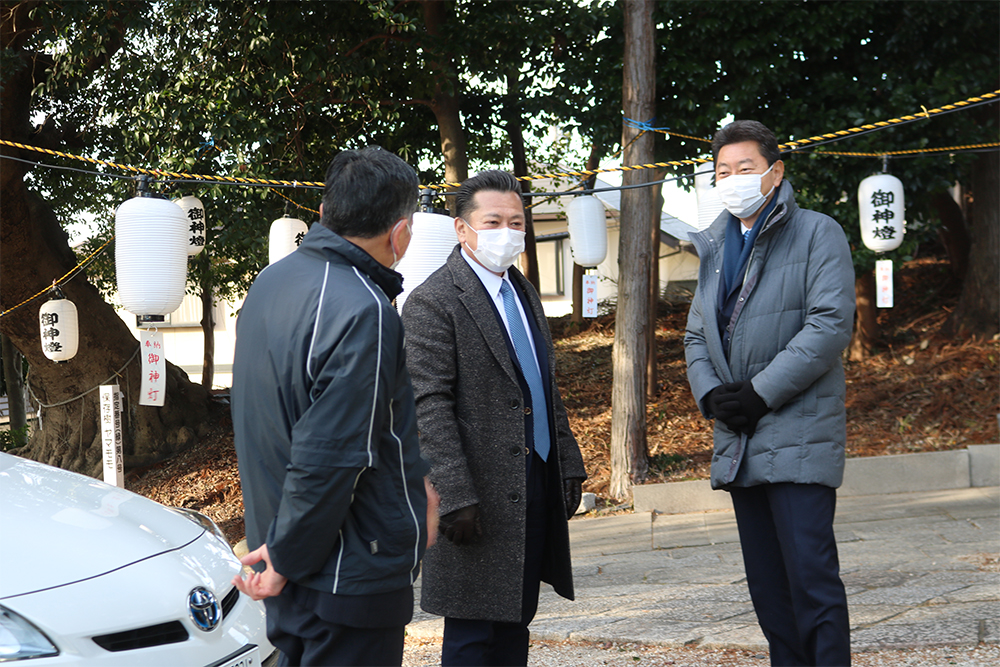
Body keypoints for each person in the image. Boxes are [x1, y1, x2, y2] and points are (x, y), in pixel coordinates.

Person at [230, 147, 439, 667]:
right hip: (344, 567)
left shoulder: (271, 282)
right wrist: (287, 556)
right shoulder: (363, 308)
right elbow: (331, 455)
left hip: (285, 543)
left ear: (324, 214)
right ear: (401, 233)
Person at [684, 120, 856, 666]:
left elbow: (829, 325)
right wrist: (712, 396)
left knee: (812, 580)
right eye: (722, 171)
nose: (733, 179)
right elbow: (694, 334)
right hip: (740, 436)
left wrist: (760, 392)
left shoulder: (817, 231)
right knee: (768, 591)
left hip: (798, 431)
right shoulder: (713, 245)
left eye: (746, 168)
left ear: (775, 171)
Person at [401, 170, 587, 666]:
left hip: (533, 480)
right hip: (475, 493)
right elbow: (428, 406)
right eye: (492, 221)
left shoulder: (522, 292)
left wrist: (567, 460)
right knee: (472, 632)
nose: (507, 232)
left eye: (516, 221)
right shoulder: (433, 302)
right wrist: (456, 495)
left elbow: (543, 385)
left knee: (514, 624)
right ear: (462, 228)